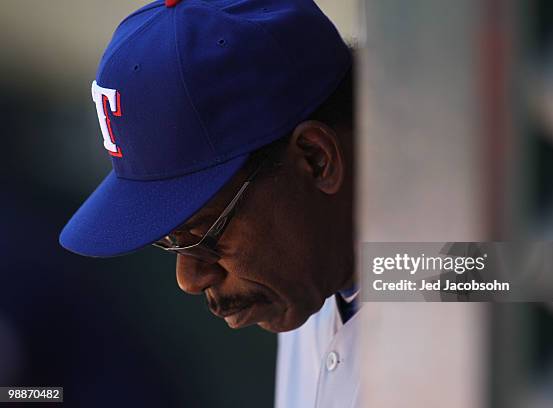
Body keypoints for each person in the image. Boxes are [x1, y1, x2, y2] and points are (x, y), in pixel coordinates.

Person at [59, 1, 359, 407]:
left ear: (315, 159)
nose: (190, 278)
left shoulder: (457, 289)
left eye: (204, 232)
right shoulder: (309, 276)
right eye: (169, 239)